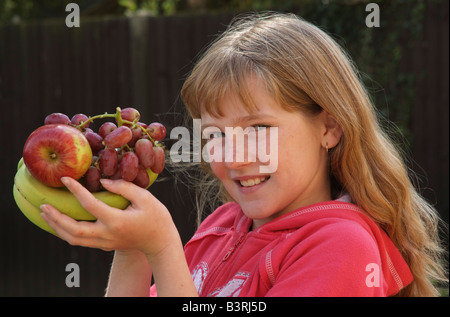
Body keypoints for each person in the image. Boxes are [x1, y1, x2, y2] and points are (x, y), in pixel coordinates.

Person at [40, 12, 447, 296]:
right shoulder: (222, 225)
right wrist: (133, 249)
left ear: (329, 127)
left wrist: (163, 248)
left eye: (258, 128)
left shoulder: (342, 247)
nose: (233, 158)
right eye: (214, 133)